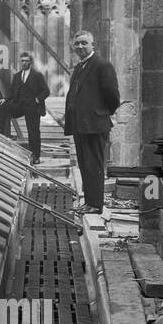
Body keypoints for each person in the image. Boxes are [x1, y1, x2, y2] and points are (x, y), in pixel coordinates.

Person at [63, 29, 120, 214]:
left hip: (94, 125)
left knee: (93, 165)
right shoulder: (81, 67)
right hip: (81, 125)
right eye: (77, 43)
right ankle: (88, 202)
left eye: (84, 43)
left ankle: (95, 205)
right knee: (84, 165)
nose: (80, 46)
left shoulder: (102, 65)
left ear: (92, 45)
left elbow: (113, 96)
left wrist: (100, 114)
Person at [0, 51, 50, 164]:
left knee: (33, 132)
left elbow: (46, 91)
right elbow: (11, 92)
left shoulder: (37, 75)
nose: (24, 63)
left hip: (32, 107)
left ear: (31, 62)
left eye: (26, 61)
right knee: (2, 106)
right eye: (22, 61)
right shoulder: (17, 76)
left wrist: (37, 99)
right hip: (19, 105)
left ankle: (36, 156)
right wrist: (5, 99)